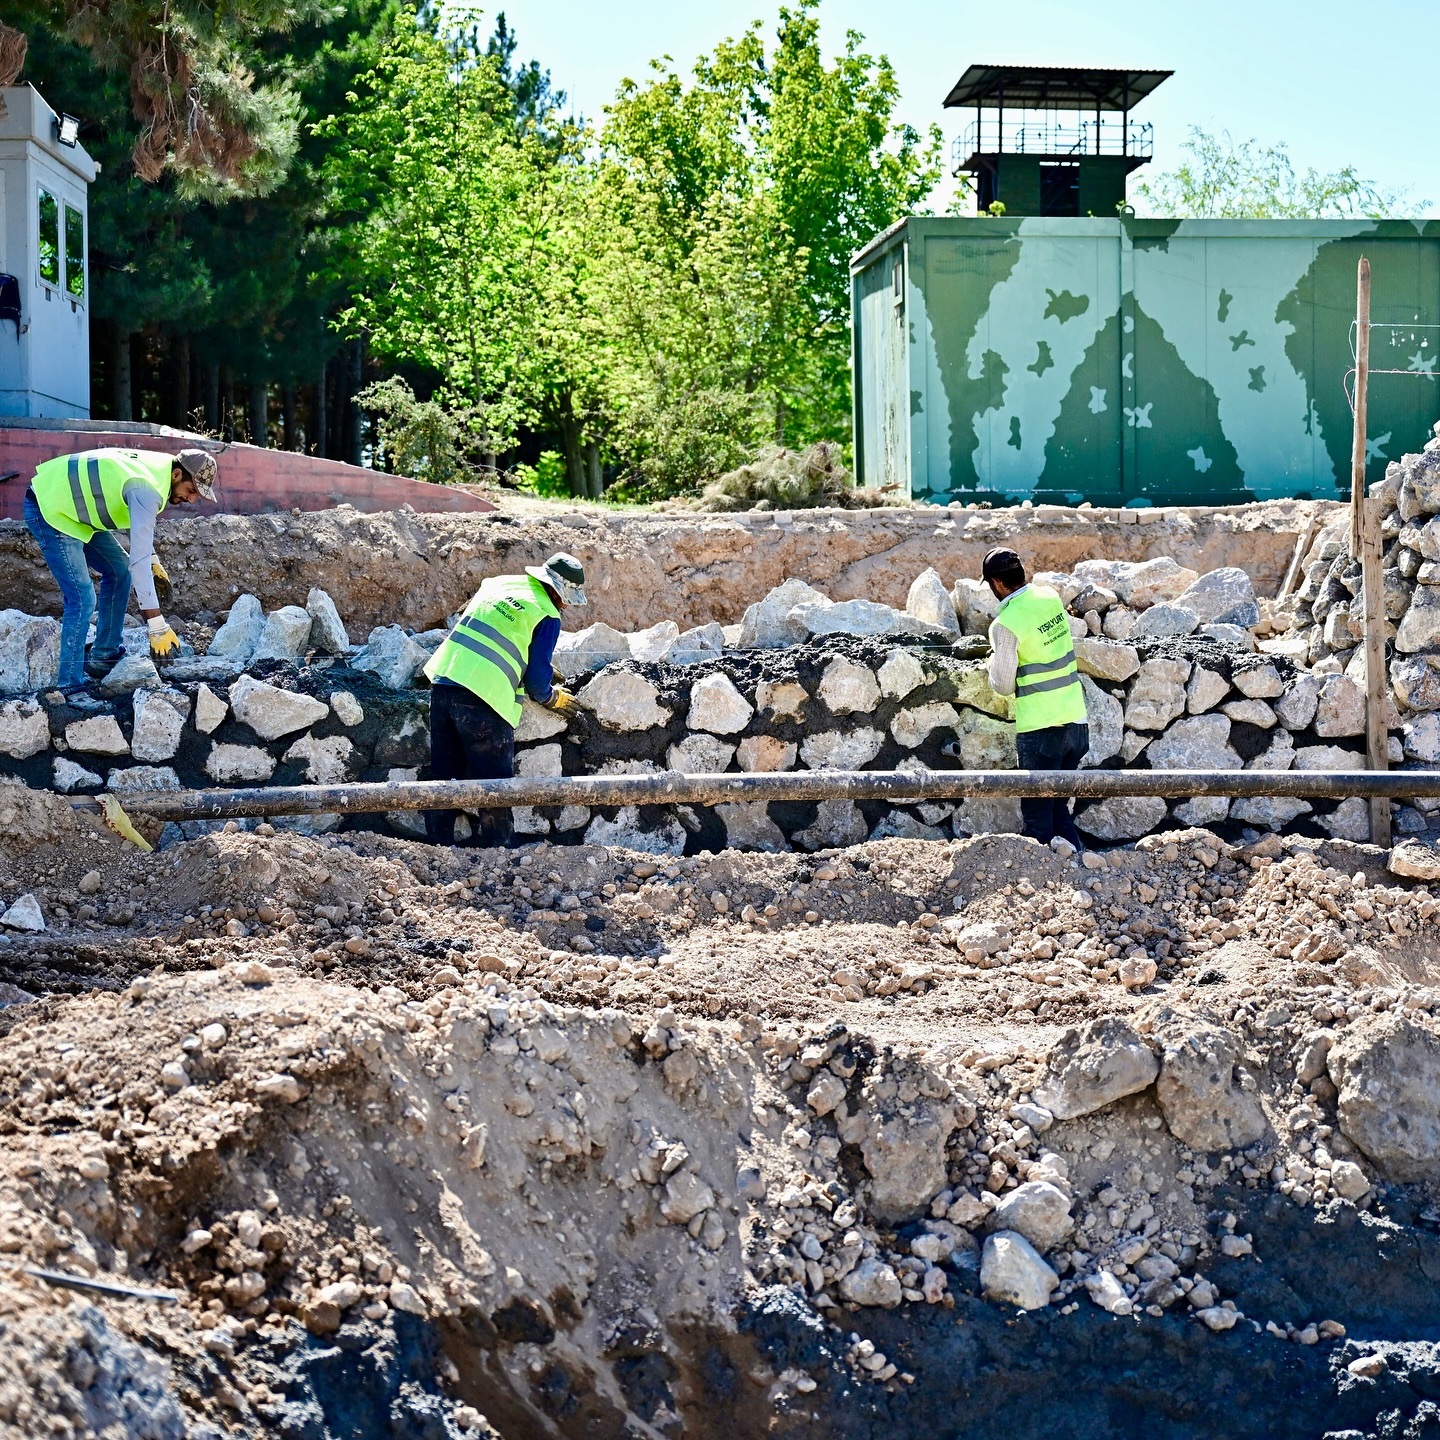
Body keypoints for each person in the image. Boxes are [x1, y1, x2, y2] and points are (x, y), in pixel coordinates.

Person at [24, 446, 217, 708]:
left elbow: (135, 525)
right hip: (50, 509)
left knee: (119, 571)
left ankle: (104, 657)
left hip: (76, 512)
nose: (191, 500)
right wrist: (156, 624)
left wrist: (153, 561)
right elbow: (138, 560)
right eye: (191, 490)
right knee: (81, 598)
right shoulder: (149, 488)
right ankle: (69, 687)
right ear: (177, 475)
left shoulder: (159, 470)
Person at [422, 552, 587, 849]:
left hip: (445, 680)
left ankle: (437, 849)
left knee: (443, 776)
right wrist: (552, 697)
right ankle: (501, 853)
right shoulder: (547, 614)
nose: (565, 606)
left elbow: (494, 632)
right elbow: (537, 684)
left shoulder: (498, 584)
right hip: (484, 697)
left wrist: (529, 659)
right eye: (566, 599)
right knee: (495, 785)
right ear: (557, 590)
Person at [975, 546, 1089, 849]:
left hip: (1041, 731)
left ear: (997, 583)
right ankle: (1078, 866)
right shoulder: (1049, 597)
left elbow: (1002, 685)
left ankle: (1046, 876)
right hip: (1076, 724)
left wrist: (991, 661)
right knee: (1058, 809)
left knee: (1038, 820)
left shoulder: (1006, 624)